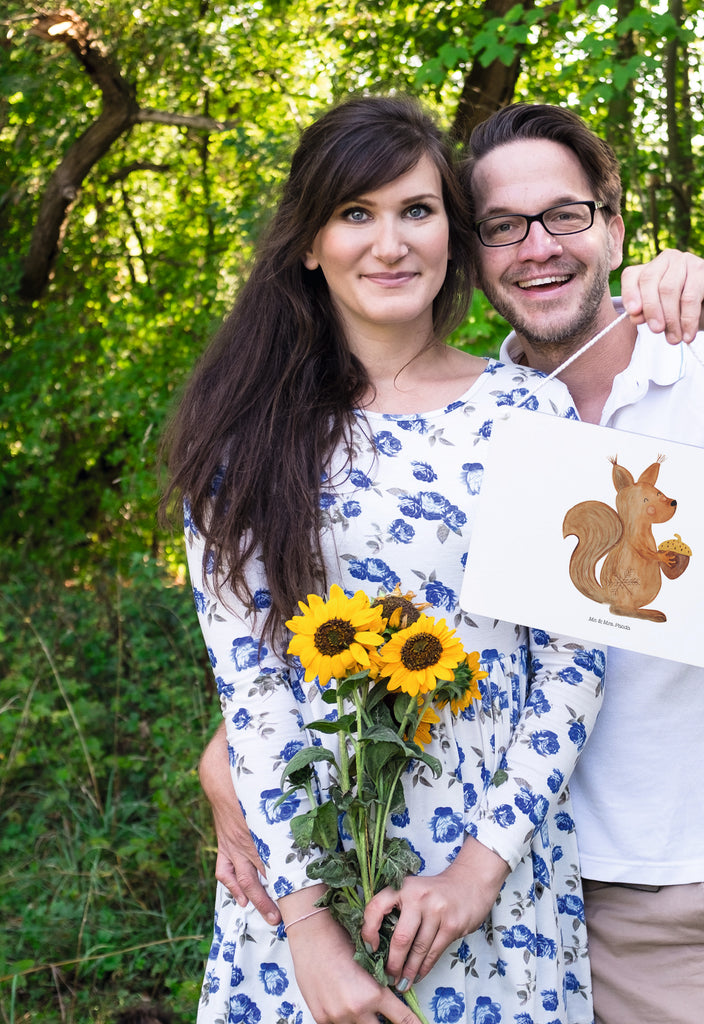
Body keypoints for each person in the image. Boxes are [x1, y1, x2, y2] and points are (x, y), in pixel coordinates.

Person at [202, 102, 704, 1024]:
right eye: (502, 226)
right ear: (474, 250)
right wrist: (235, 771)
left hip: (650, 887)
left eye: (565, 215)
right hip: (420, 875)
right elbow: (333, 634)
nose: (537, 247)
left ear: (612, 225)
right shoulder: (457, 417)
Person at [163, 96, 607, 1024]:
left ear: (452, 230)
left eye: (417, 210)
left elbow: (573, 661)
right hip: (301, 886)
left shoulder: (531, 415)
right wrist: (311, 937)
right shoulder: (244, 437)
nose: (390, 243)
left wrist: (478, 873)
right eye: (355, 214)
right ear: (309, 244)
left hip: (492, 887)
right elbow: (254, 690)